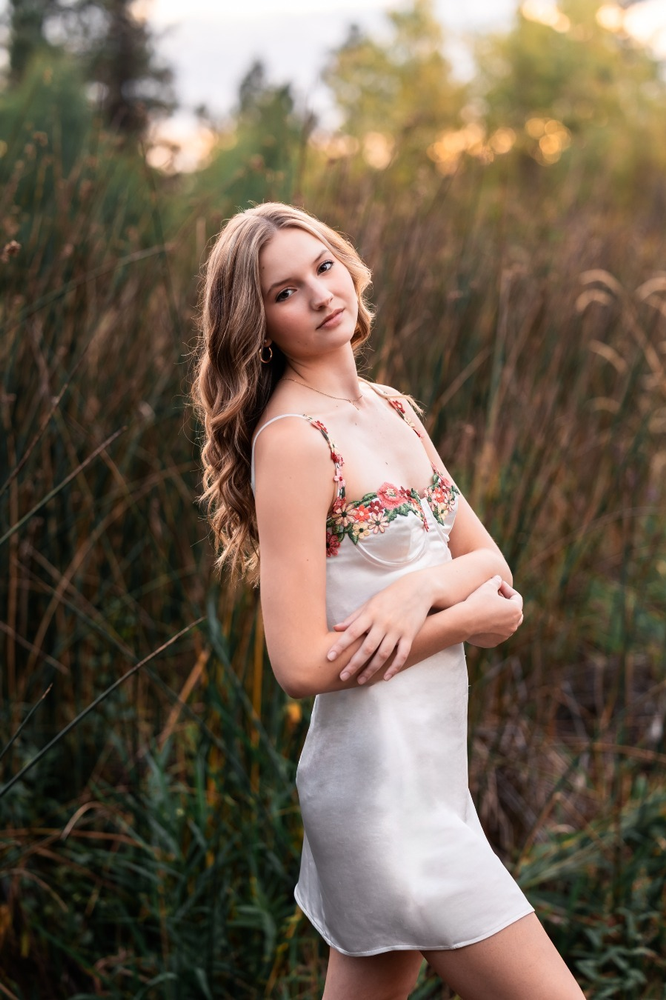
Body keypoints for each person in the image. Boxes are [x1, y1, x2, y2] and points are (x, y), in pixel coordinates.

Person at [192, 202, 586, 1000]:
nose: (319, 295)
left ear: (348, 266)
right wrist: (463, 622)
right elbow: (301, 662)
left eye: (324, 268)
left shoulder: (393, 410)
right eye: (284, 292)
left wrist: (422, 593)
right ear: (259, 323)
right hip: (379, 797)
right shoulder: (295, 440)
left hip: (433, 781)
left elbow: (488, 561)